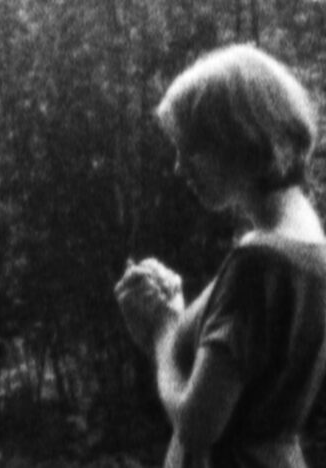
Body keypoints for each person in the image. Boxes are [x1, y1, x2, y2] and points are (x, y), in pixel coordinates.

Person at [114, 44, 326, 467]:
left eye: (190, 149)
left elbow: (195, 426)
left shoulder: (259, 265)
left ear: (240, 138)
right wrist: (172, 315)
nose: (179, 167)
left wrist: (163, 330)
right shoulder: (307, 248)